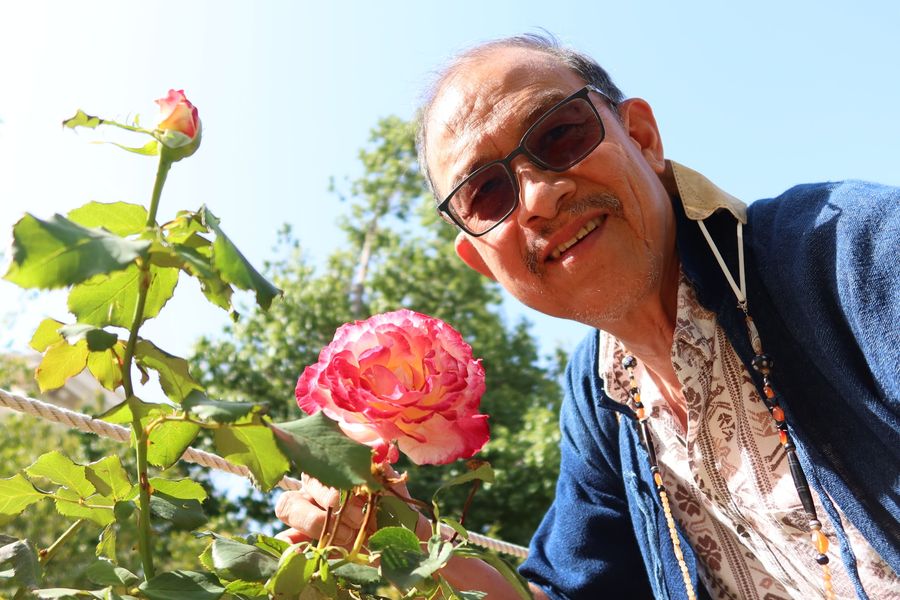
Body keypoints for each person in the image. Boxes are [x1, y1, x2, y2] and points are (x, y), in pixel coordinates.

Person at [275, 34, 900, 599]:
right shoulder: (598, 395)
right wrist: (400, 539)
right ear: (481, 261)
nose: (539, 198)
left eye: (560, 136)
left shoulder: (847, 247)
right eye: (486, 193)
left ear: (644, 138)